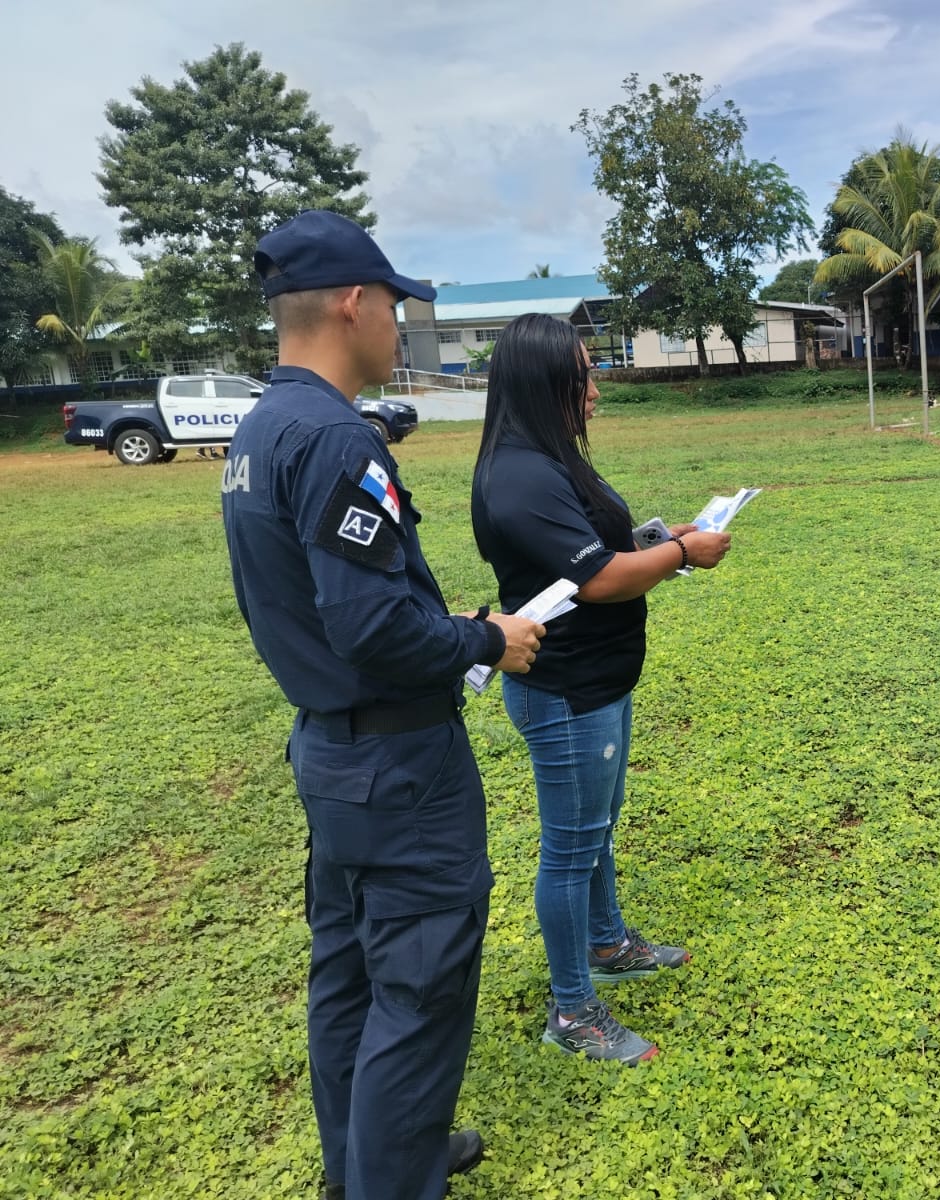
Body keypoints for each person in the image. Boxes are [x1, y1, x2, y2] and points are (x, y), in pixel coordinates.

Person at [221, 210, 544, 1200]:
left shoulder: (260, 429)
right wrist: (487, 640)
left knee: (351, 975)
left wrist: (436, 621)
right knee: (419, 989)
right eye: (396, 305)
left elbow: (330, 608)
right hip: (398, 772)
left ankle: (361, 1165)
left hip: (332, 755)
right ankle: (392, 1179)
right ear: (352, 304)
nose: (400, 324)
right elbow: (374, 632)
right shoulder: (331, 437)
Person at [471, 313, 731, 1065]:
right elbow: (601, 579)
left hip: (597, 681)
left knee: (596, 829)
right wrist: (683, 552)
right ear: (544, 381)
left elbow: (601, 552)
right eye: (582, 376)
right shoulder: (519, 474)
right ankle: (573, 1010)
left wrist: (664, 542)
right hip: (565, 690)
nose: (594, 389)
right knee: (571, 847)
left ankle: (608, 942)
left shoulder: (548, 459)